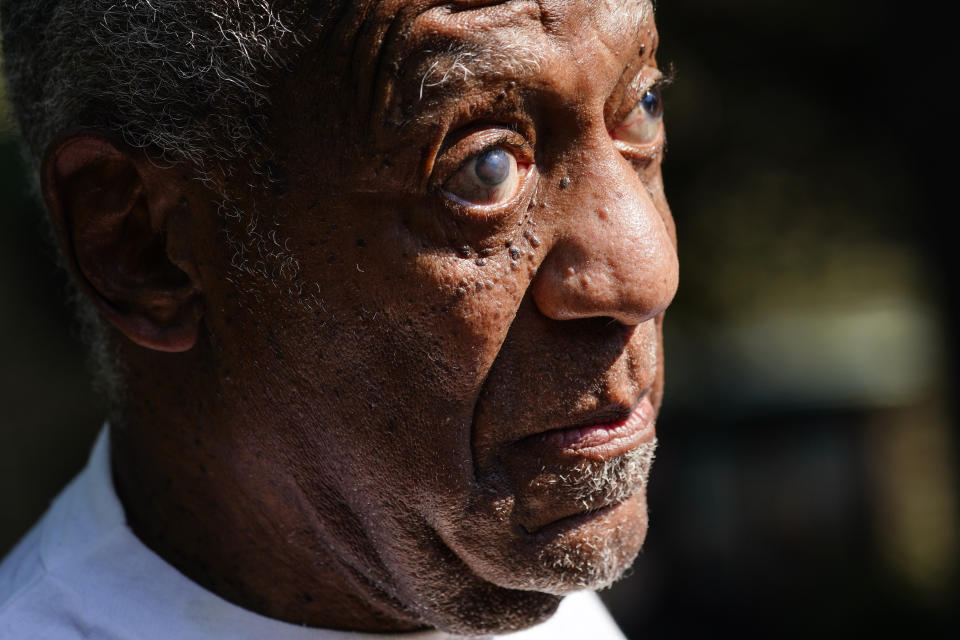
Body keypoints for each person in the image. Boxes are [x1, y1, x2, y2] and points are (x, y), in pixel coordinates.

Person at [0, 0, 678, 637]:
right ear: (145, 249)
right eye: (483, 168)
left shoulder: (468, 560)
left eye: (641, 109)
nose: (648, 271)